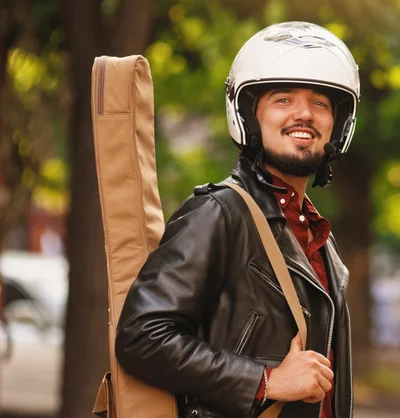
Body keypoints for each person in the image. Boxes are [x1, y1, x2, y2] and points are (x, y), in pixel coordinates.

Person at [115, 21, 360, 418]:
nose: (304, 114)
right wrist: (266, 381)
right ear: (250, 115)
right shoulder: (219, 213)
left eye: (320, 103)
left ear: (337, 124)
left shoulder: (320, 239)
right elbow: (142, 336)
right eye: (283, 99)